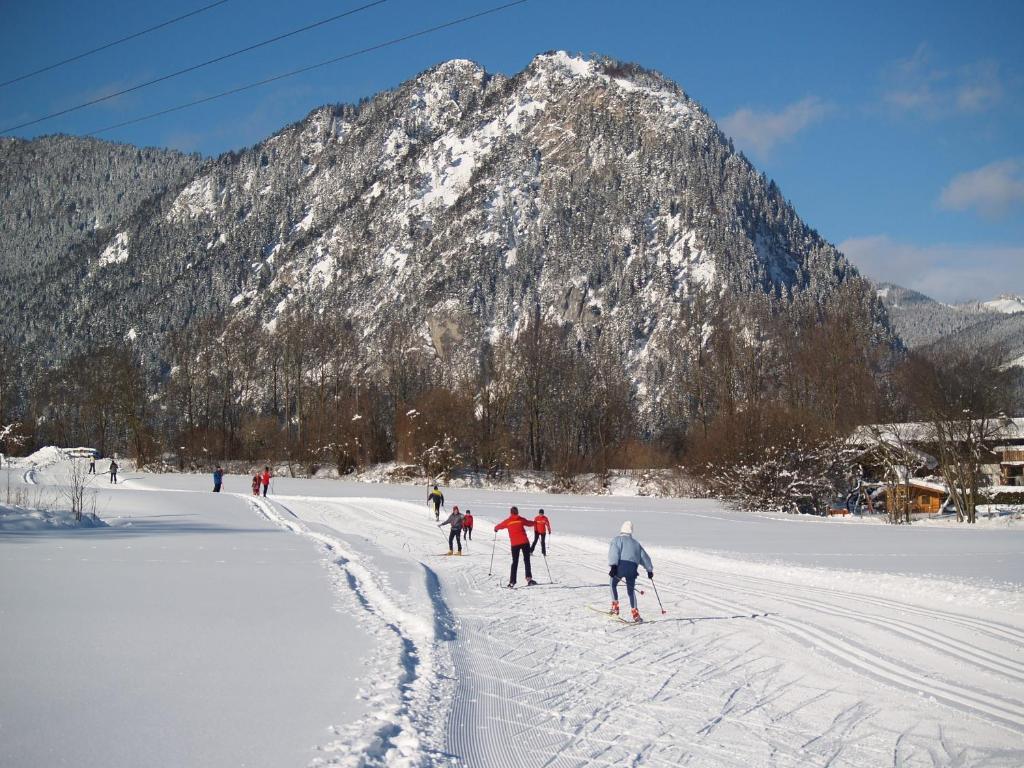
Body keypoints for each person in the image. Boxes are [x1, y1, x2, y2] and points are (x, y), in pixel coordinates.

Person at [608, 520, 653, 623]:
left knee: (612, 584)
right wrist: (649, 570)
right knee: (631, 591)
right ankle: (636, 614)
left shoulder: (617, 540)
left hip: (621, 566)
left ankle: (615, 609)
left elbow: (614, 552)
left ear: (622, 529)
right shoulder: (636, 544)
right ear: (631, 531)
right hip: (632, 568)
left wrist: (613, 566)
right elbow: (644, 557)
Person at [495, 506, 536, 588]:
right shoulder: (521, 519)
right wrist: (535, 522)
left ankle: (512, 582)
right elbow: (529, 523)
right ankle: (529, 579)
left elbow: (500, 526)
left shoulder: (508, 521)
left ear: (511, 512)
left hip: (515, 544)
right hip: (524, 542)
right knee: (527, 560)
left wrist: (496, 528)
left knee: (515, 562)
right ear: (517, 512)